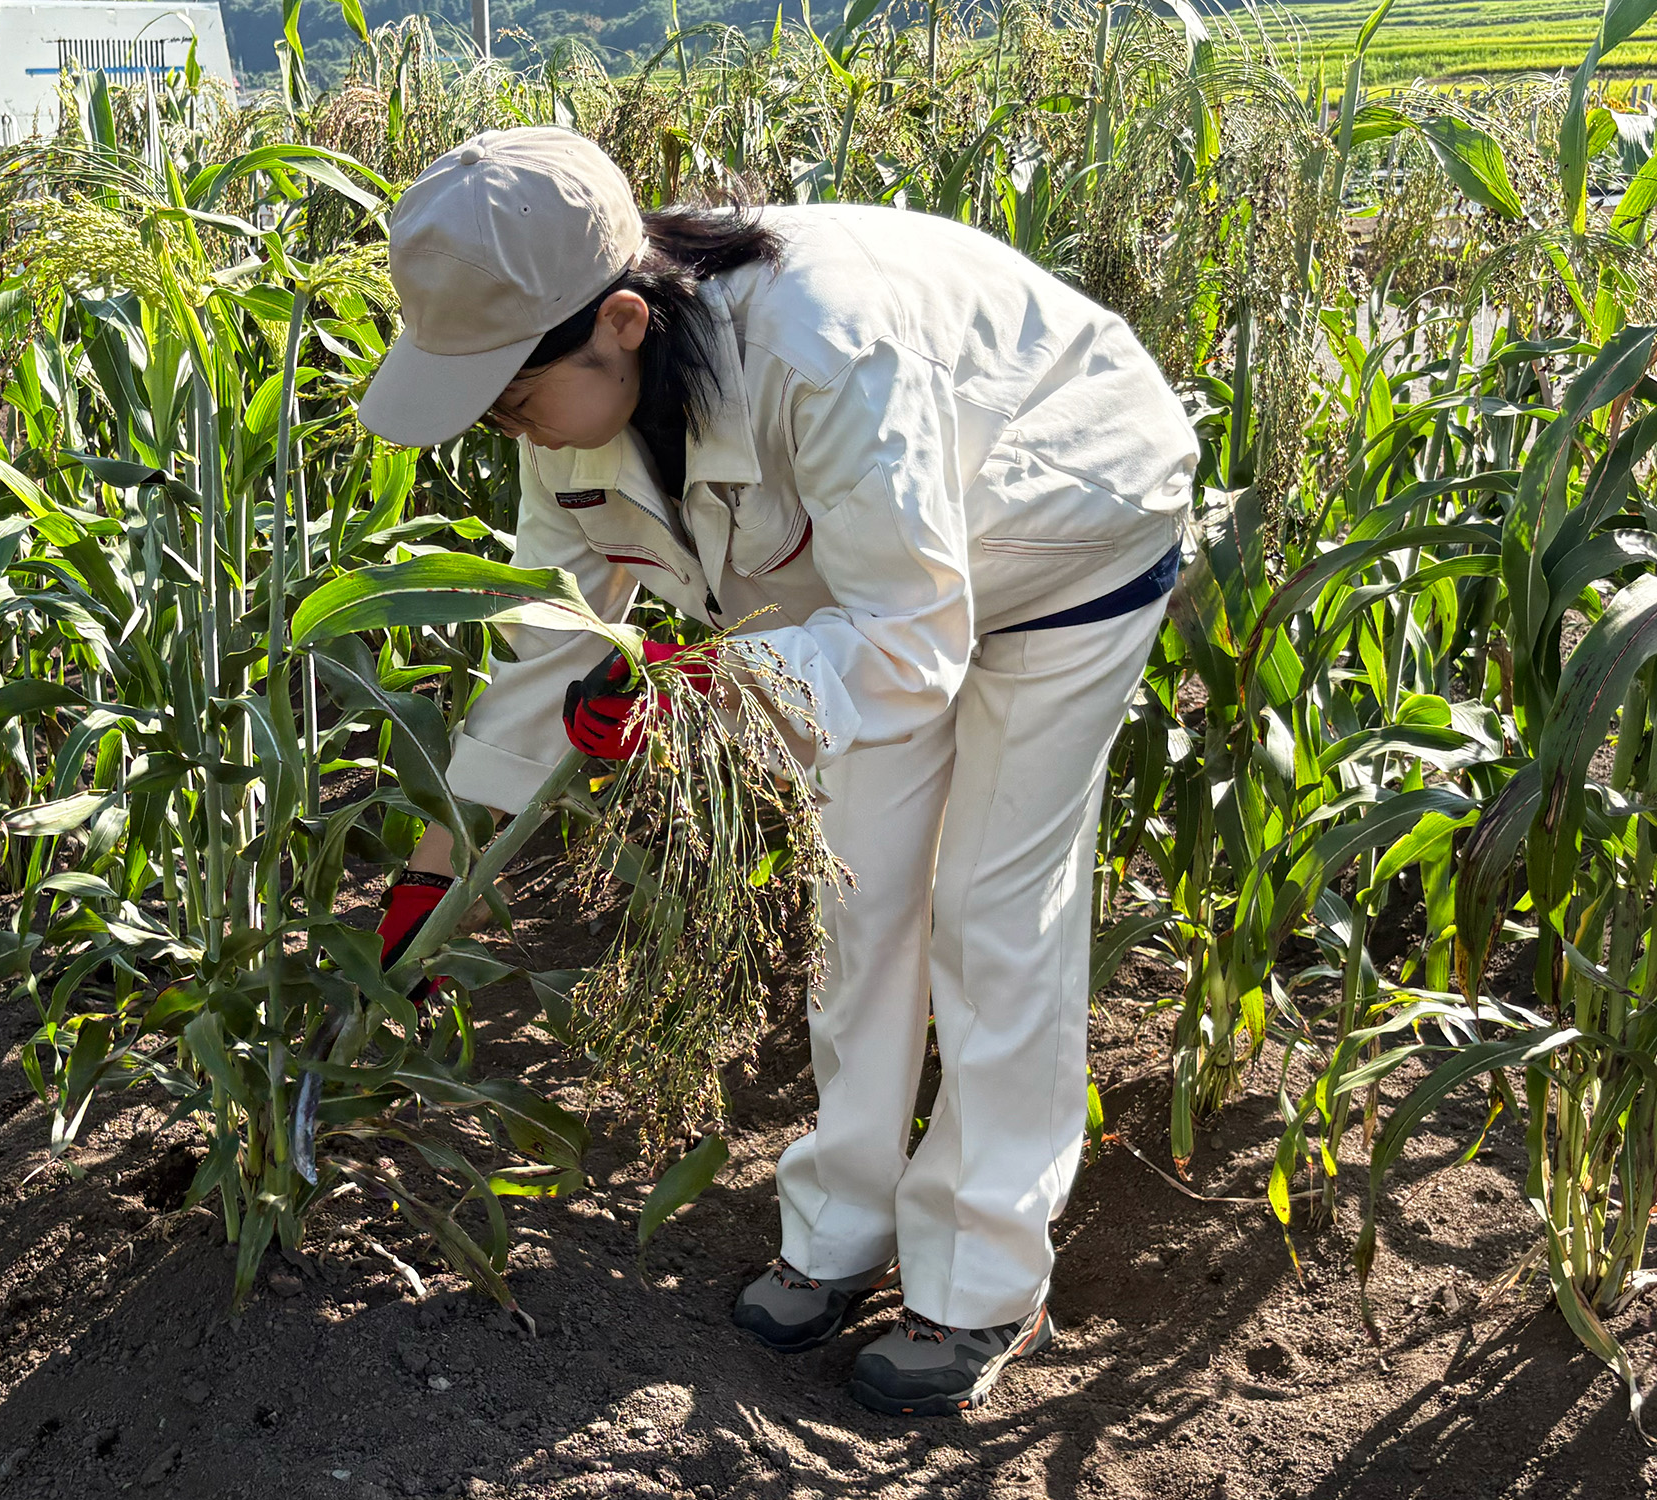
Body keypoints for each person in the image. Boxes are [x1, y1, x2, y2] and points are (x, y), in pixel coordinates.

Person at [356, 128, 1197, 1418]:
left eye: (512, 393)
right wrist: (435, 875)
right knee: (854, 895)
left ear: (623, 320)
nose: (503, 422)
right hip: (862, 595)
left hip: (1061, 531)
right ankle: (840, 1230)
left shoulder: (826, 351)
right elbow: (545, 638)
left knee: (984, 906)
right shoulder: (561, 384)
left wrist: (693, 695)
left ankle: (977, 1281)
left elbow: (914, 647)